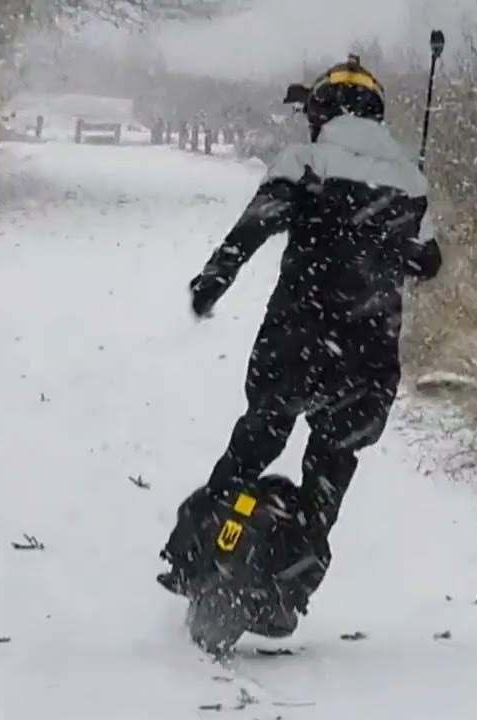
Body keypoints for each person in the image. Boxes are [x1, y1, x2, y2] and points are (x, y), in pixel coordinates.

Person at [158, 56, 444, 635]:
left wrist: (212, 282)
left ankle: (199, 558)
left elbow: (252, 229)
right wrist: (386, 240)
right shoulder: (412, 184)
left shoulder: (306, 162)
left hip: (297, 342)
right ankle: (285, 581)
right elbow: (428, 262)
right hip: (368, 357)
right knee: (332, 467)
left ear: (322, 112)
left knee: (254, 445)